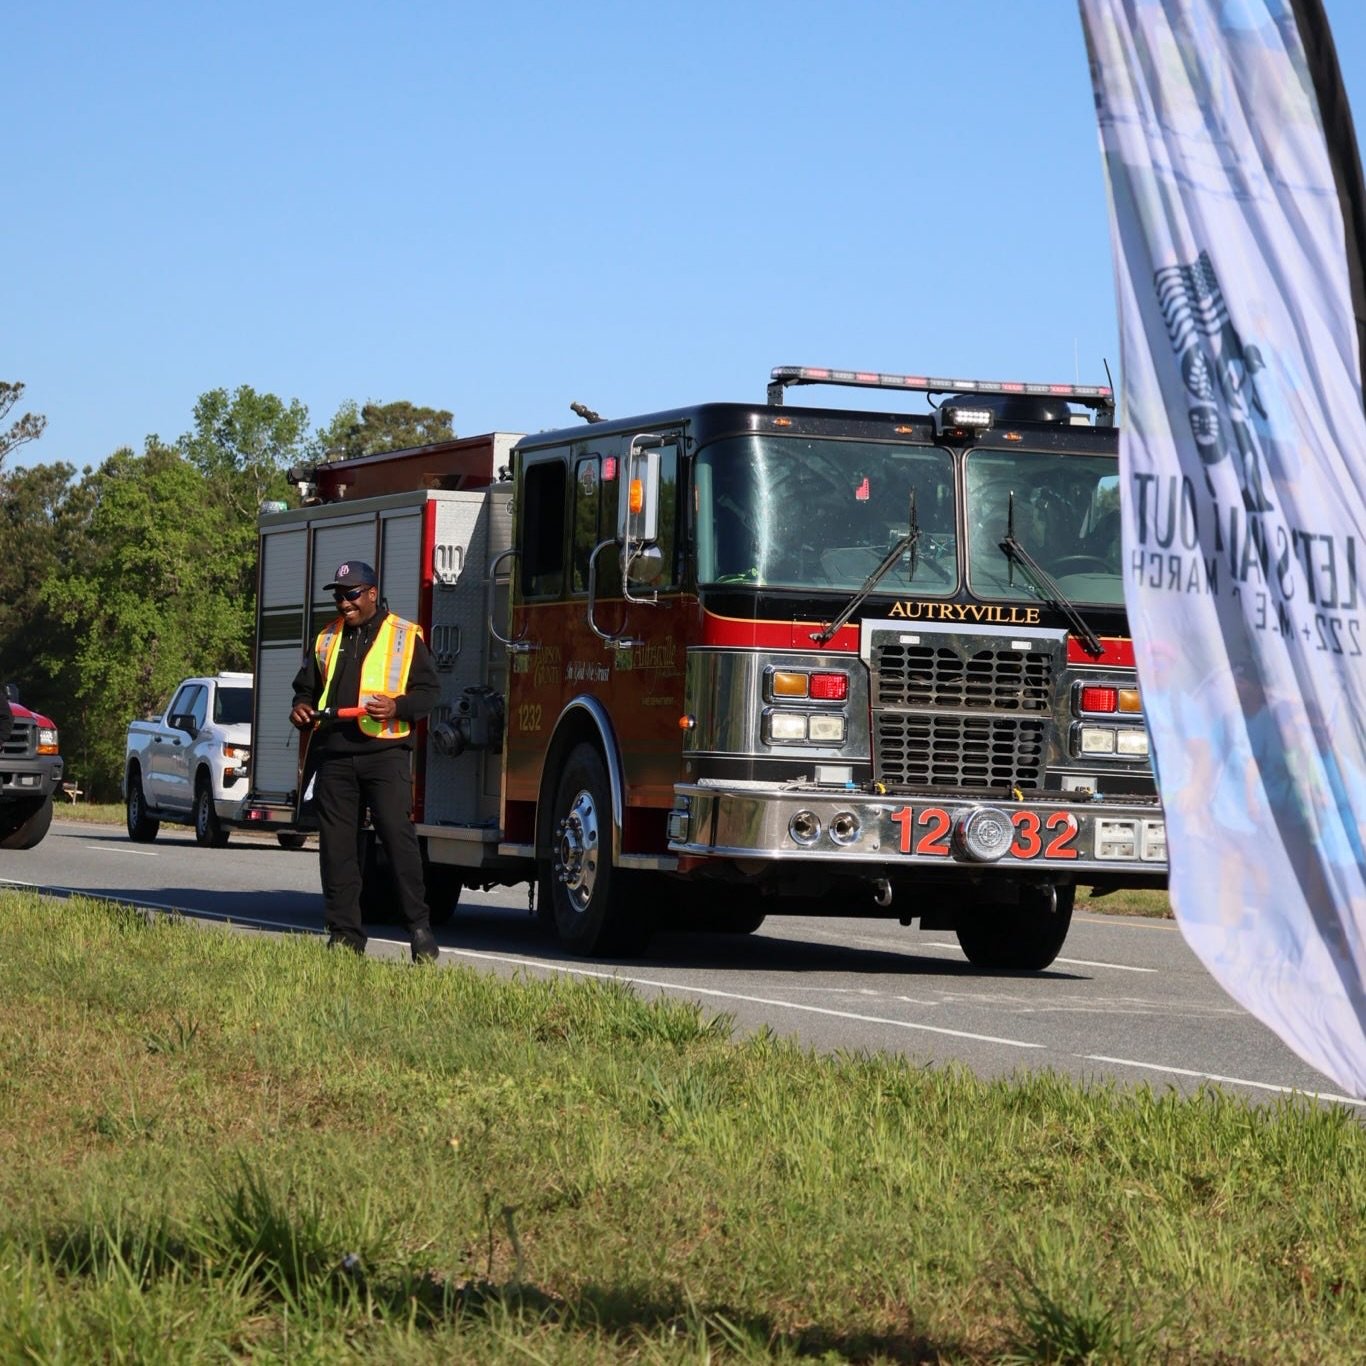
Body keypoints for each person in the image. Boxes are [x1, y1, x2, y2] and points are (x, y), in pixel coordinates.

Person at [289, 560, 442, 962]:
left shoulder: (405, 636)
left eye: (352, 594)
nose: (345, 603)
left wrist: (397, 706)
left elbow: (429, 692)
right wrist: (301, 707)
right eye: (339, 596)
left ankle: (420, 930)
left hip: (385, 753)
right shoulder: (326, 637)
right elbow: (305, 689)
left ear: (372, 593)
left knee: (397, 839)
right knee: (337, 850)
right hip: (335, 754)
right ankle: (344, 936)